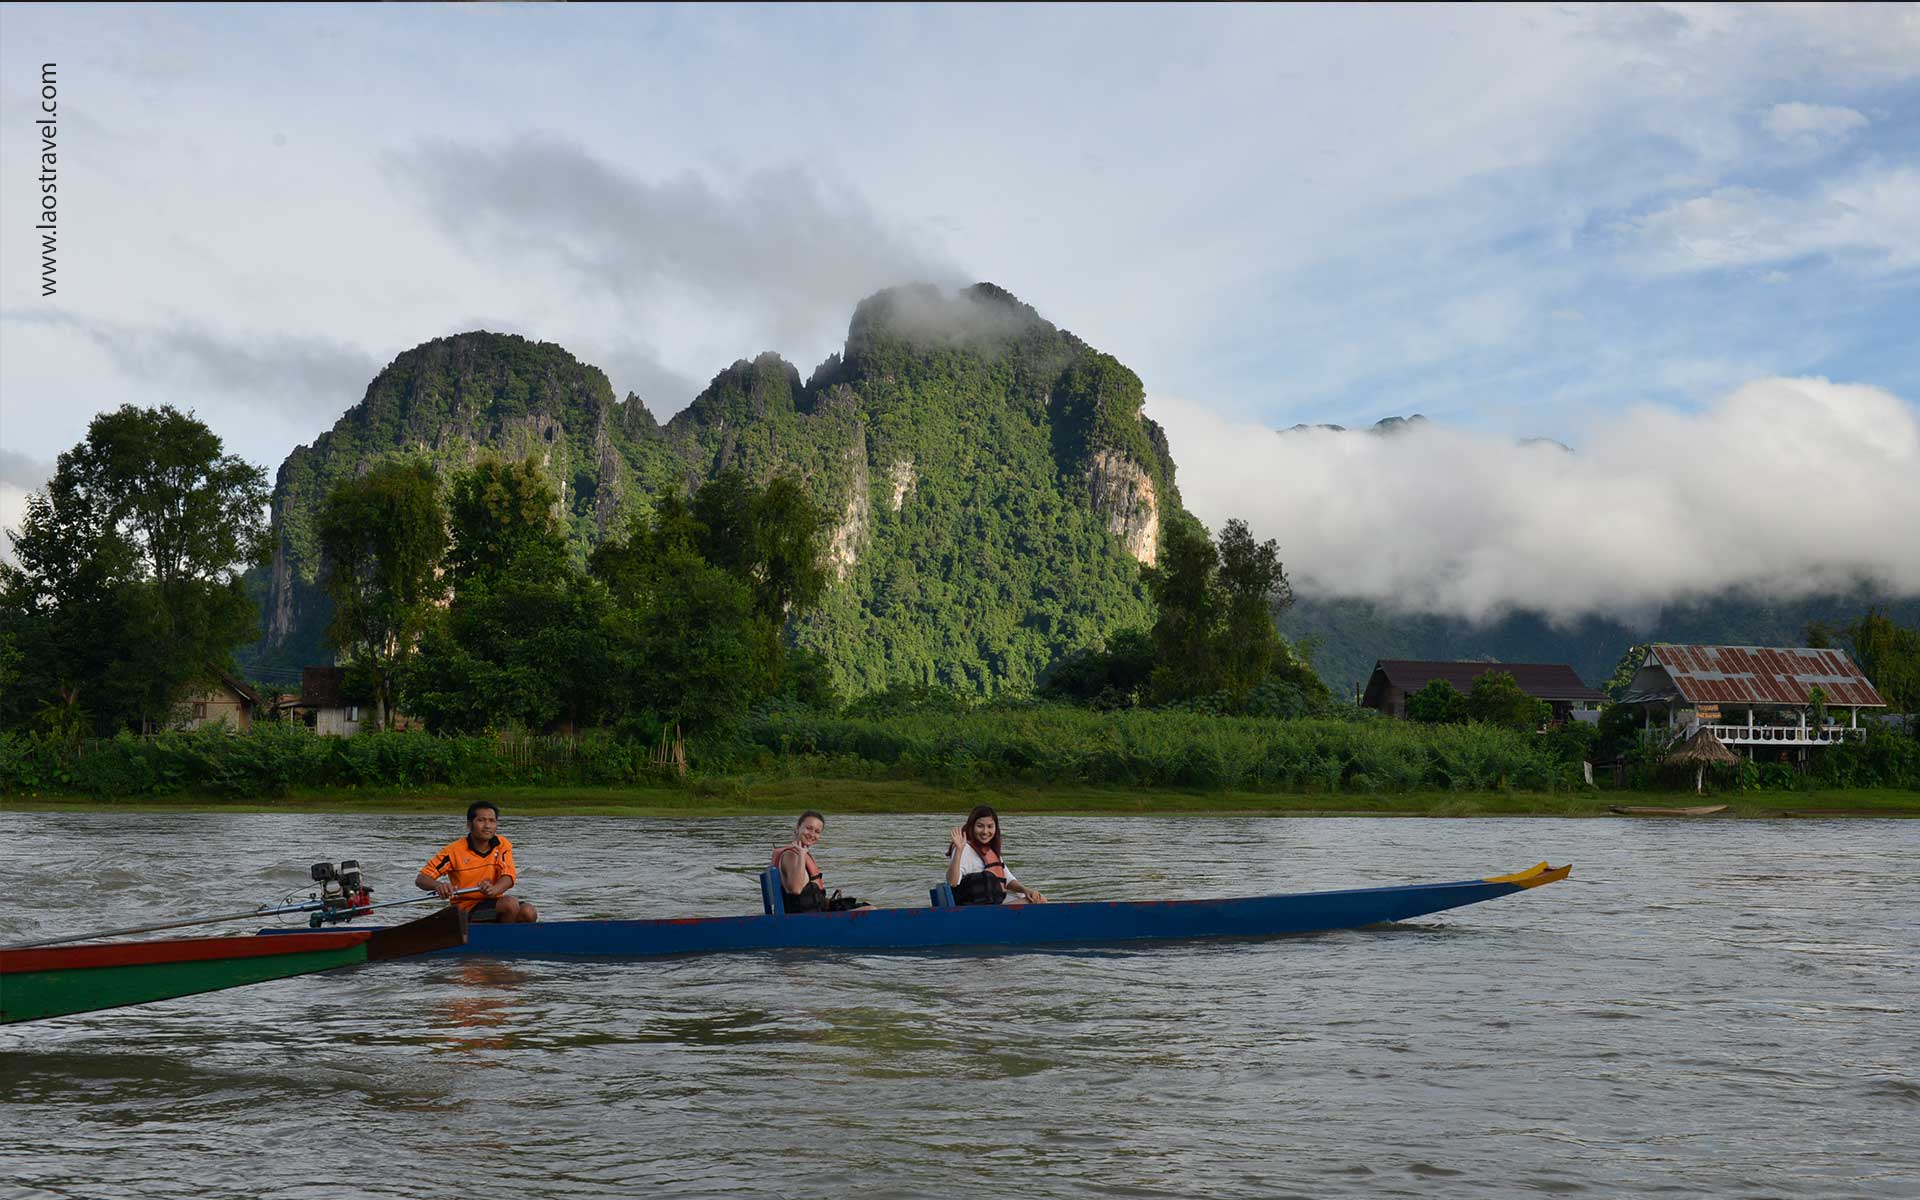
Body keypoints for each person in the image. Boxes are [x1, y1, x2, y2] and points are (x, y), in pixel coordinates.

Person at [416, 801, 538, 924]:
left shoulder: (502, 845)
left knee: (528, 912)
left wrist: (494, 890)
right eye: (481, 820)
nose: (487, 826)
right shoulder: (453, 851)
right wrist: (438, 886)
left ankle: (509, 940)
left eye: (492, 821)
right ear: (469, 824)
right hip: (465, 911)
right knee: (509, 905)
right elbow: (422, 878)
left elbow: (508, 876)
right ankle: (500, 942)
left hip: (496, 904)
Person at [946, 805, 1047, 905]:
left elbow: (1008, 880)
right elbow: (952, 882)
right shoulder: (965, 849)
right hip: (979, 911)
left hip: (994, 906)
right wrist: (958, 851)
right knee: (1036, 903)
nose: (985, 831)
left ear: (996, 828)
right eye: (980, 826)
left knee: (1038, 898)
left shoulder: (991, 851)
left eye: (990, 826)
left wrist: (1025, 890)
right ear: (972, 826)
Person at [774, 811, 866, 913]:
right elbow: (795, 889)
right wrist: (801, 855)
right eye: (808, 828)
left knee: (866, 907)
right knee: (872, 912)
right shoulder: (792, 856)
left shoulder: (799, 854)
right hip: (805, 920)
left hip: (815, 915)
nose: (812, 834)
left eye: (817, 831)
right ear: (797, 828)